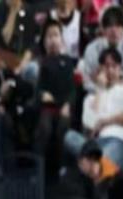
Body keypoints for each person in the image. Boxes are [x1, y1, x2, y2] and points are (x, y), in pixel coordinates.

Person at [66, 47, 123, 171]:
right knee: (69, 137)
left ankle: (91, 167)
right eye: (106, 66)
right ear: (100, 70)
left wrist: (104, 122)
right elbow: (90, 123)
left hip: (118, 141)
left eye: (114, 66)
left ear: (120, 69)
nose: (110, 70)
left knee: (99, 163)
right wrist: (100, 89)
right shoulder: (91, 97)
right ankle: (95, 167)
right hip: (95, 144)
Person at [35, 19, 77, 182]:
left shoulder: (68, 61)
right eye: (49, 36)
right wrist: (42, 95)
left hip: (64, 106)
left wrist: (67, 105)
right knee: (44, 128)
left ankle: (63, 168)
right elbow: (38, 89)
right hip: (48, 107)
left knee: (63, 127)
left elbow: (72, 89)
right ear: (44, 41)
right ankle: (38, 168)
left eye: (56, 35)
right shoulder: (42, 62)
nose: (53, 40)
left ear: (61, 39)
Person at [81, 5, 123, 92]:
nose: (114, 31)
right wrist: (102, 87)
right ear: (102, 29)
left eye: (118, 26)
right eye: (110, 26)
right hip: (98, 93)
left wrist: (116, 85)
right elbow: (86, 83)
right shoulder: (91, 49)